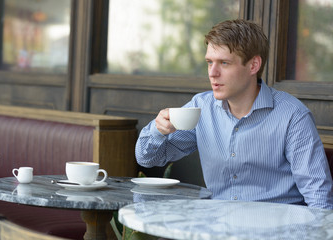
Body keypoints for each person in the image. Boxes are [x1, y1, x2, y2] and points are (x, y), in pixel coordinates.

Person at [135, 19, 333, 209]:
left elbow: (319, 197)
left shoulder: (293, 116)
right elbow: (148, 159)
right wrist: (158, 130)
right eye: (209, 62)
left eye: (224, 63)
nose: (212, 73)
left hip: (274, 231)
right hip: (217, 227)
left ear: (253, 65)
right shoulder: (201, 107)